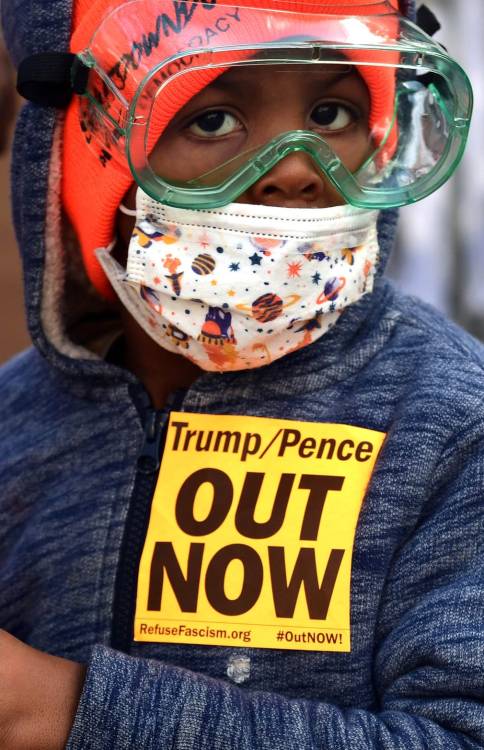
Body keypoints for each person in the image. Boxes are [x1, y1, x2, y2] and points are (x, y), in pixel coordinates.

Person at [1, 0, 483, 748]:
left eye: (332, 114)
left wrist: (60, 713)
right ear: (88, 152)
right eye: (213, 119)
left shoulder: (449, 421)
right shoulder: (15, 431)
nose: (295, 169)